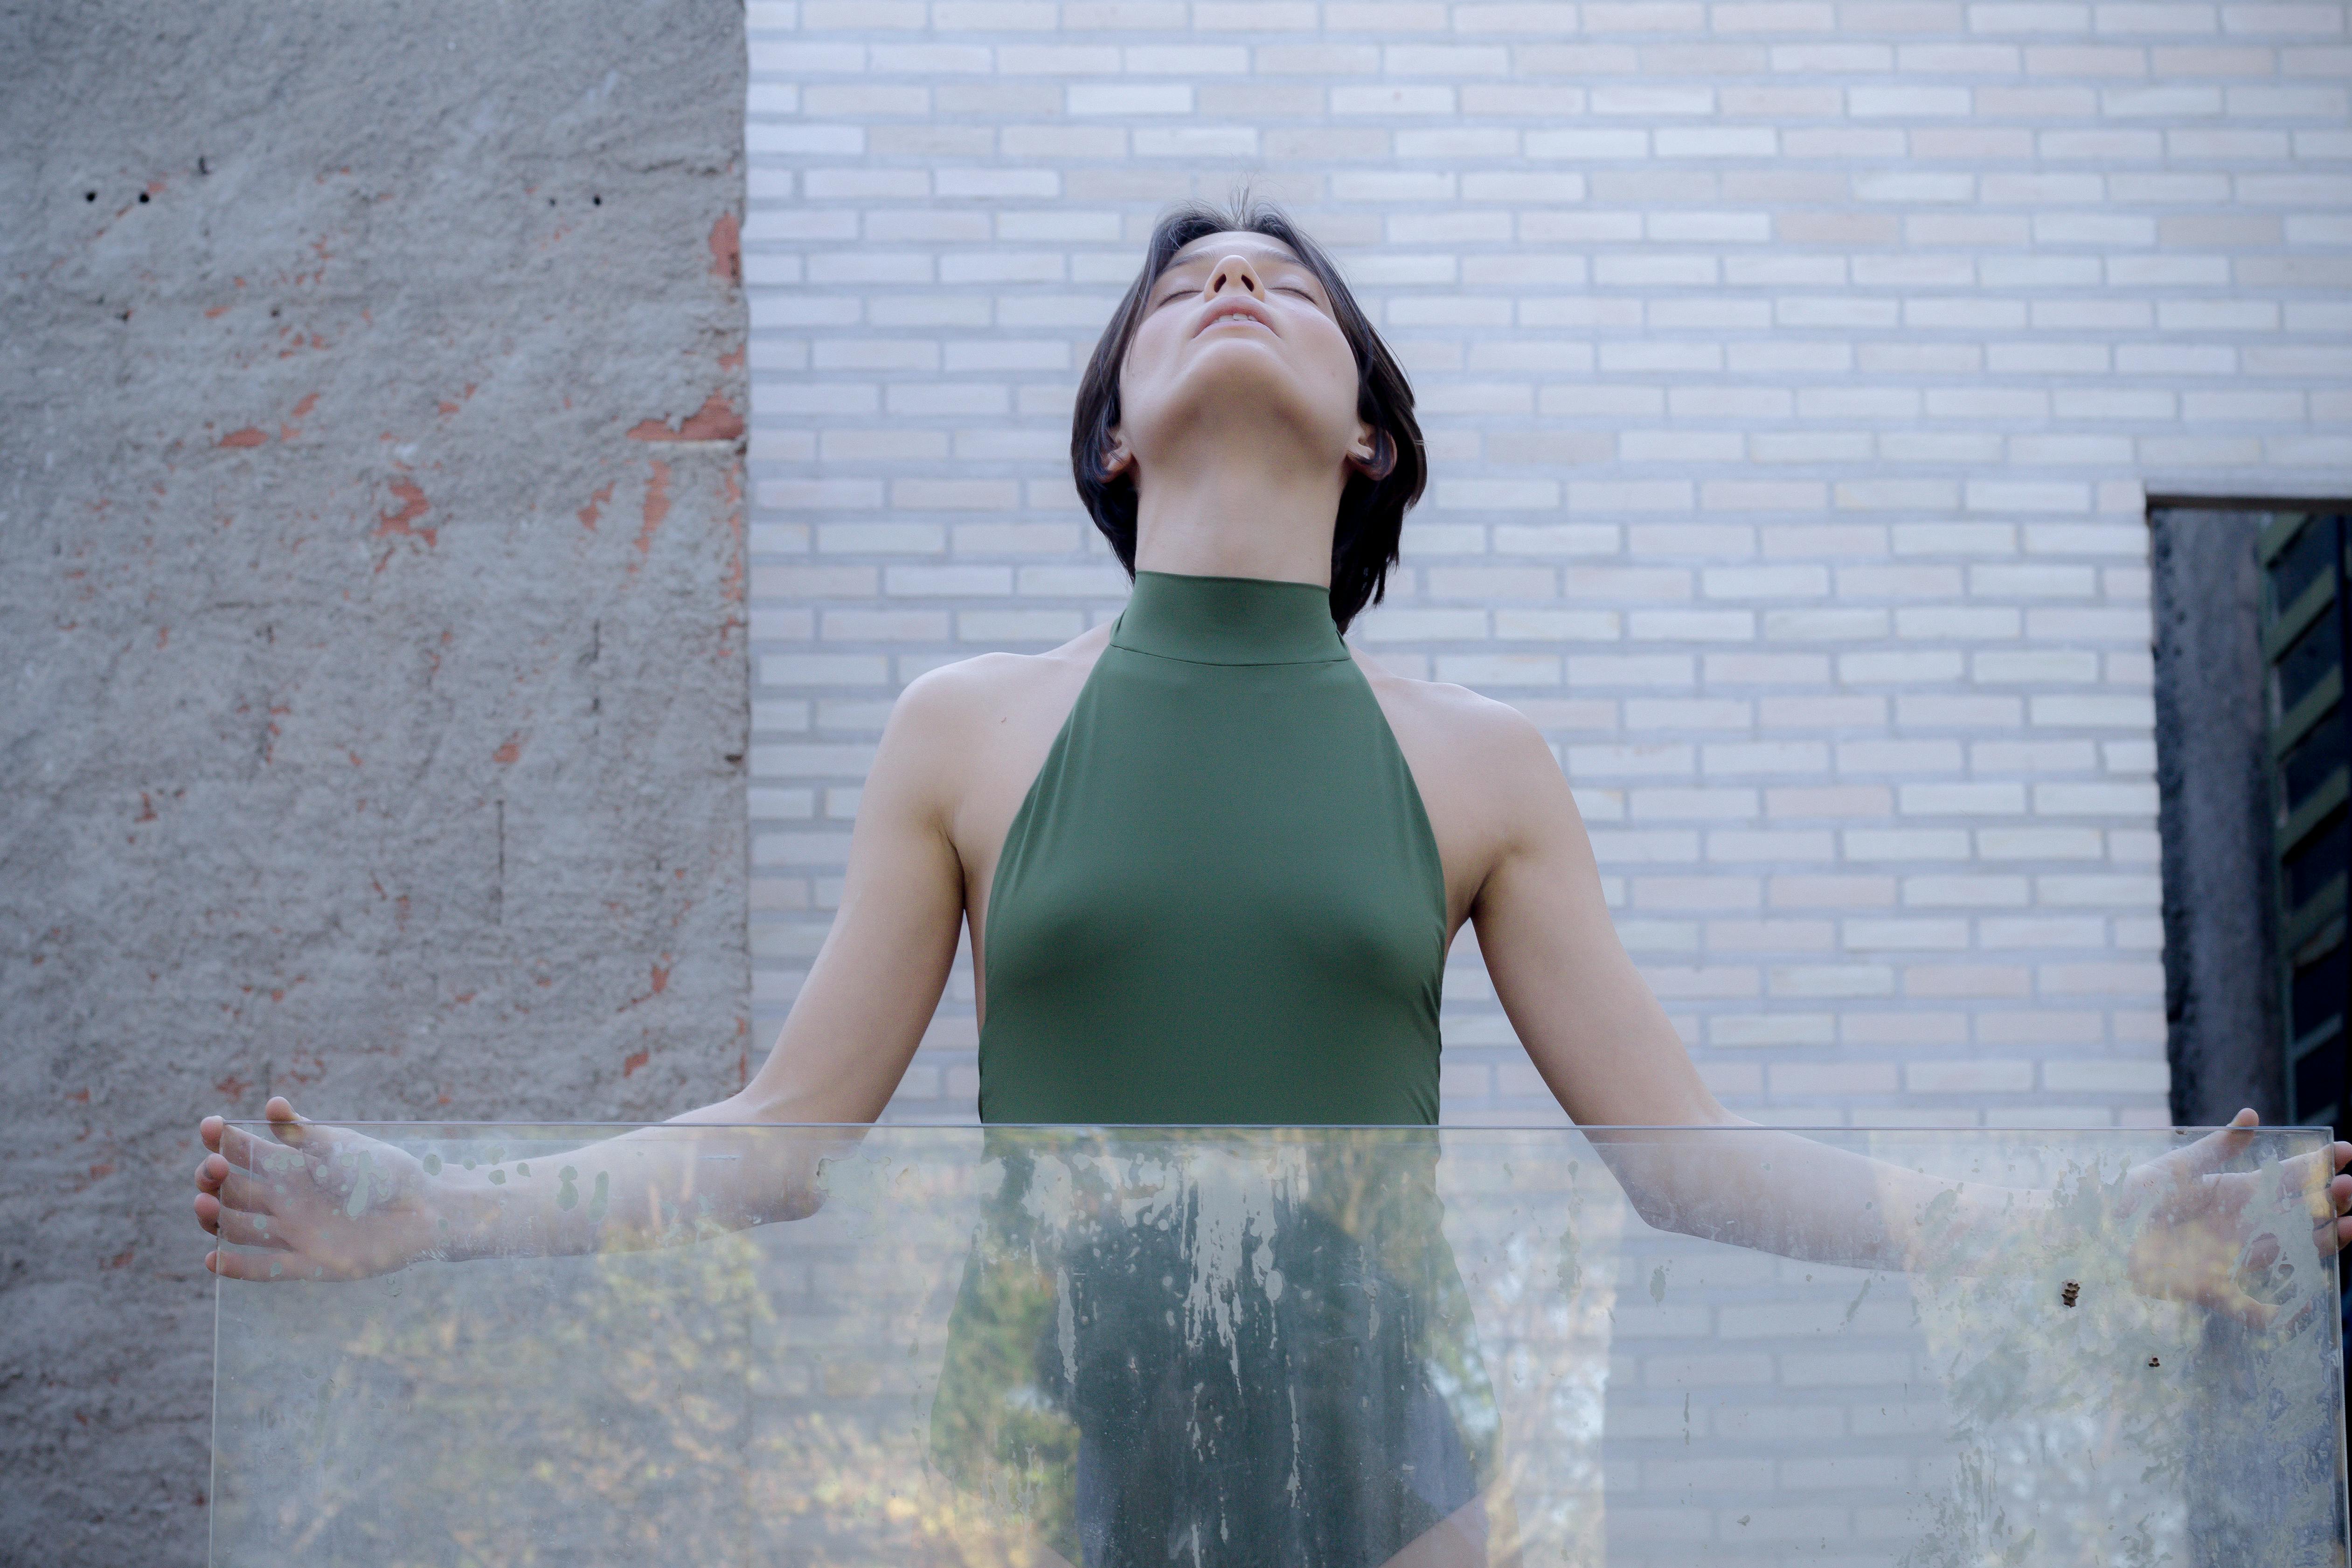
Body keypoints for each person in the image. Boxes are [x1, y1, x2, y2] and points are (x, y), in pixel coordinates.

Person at [193, 197, 2352, 1568]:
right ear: (1115, 431)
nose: (1233, 285)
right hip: (1030, 1468)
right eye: (1183, 287)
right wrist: (435, 1210)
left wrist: (2093, 1229)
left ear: (1371, 435)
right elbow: (781, 1142)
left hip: (1390, 1469)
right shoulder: (967, 727)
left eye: (1287, 283)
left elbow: (1686, 1170)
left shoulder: (1478, 761)